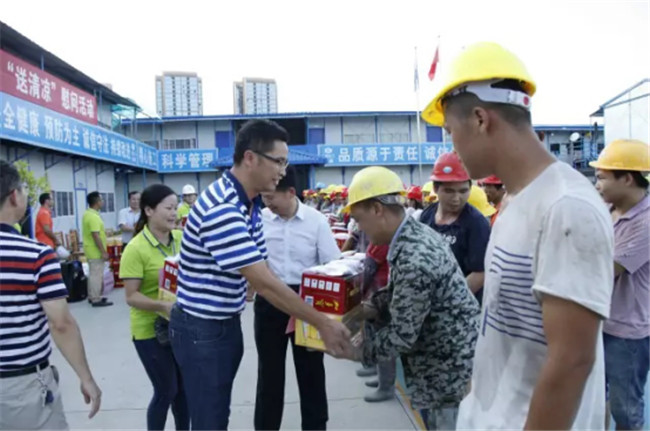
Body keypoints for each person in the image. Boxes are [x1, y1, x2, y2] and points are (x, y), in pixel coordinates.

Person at [422, 41, 614, 429]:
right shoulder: (514, 201)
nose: (452, 147)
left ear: (480, 119)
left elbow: (572, 361)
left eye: (450, 131)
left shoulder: (566, 207)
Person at [169, 119, 351, 430]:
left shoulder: (249, 205)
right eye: (278, 161)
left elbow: (262, 271)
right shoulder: (224, 208)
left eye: (285, 163)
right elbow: (263, 283)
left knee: (217, 415)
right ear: (250, 158)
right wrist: (322, 323)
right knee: (210, 420)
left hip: (222, 324)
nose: (282, 171)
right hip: (203, 330)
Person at [339, 166, 480, 430]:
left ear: (377, 209)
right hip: (441, 358)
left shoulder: (415, 257)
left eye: (359, 219)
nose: (360, 228)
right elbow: (400, 292)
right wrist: (370, 307)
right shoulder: (413, 236)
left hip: (445, 369)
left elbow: (402, 335)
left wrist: (354, 350)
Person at [0, 160, 102, 429]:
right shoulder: (35, 255)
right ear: (14, 196)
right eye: (24, 190)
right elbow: (61, 324)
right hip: (20, 388)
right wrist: (86, 377)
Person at [255, 166, 341, 430]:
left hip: (307, 304)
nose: (267, 204)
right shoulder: (259, 220)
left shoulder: (316, 221)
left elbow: (332, 264)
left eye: (271, 197)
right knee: (269, 374)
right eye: (264, 198)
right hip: (270, 301)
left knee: (311, 371)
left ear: (290, 192)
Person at [591, 139, 650, 431]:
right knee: (593, 399)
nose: (596, 184)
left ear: (627, 178)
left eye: (602, 177)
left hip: (627, 331)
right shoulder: (607, 209)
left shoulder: (646, 222)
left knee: (626, 410)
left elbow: (606, 270)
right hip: (599, 321)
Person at [119, 184, 189, 431]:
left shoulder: (181, 239)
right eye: (168, 208)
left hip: (180, 327)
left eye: (175, 208)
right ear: (148, 210)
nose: (174, 213)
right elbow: (131, 296)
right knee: (166, 389)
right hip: (150, 331)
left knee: (183, 391)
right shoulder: (136, 248)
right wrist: (162, 306)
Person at [419, 151, 491, 305]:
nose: (456, 198)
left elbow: (480, 273)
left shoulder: (476, 224)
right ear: (436, 188)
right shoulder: (427, 216)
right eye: (449, 191)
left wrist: (448, 301)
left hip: (462, 307)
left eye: (463, 191)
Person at [359, 242, 396, 403]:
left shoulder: (381, 241)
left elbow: (369, 268)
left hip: (381, 296)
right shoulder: (377, 240)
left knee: (383, 340)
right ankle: (380, 375)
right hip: (375, 294)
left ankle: (386, 387)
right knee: (373, 335)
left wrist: (361, 290)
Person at [82, 191, 113, 307]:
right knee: (96, 275)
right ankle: (96, 298)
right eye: (101, 200)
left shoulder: (88, 214)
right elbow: (95, 235)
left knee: (93, 274)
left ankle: (92, 296)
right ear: (97, 202)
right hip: (95, 251)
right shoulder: (93, 217)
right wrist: (103, 251)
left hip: (90, 249)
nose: (103, 202)